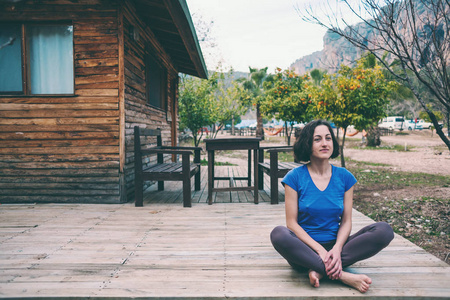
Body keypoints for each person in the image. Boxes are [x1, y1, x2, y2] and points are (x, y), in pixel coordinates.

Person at [270, 120, 394, 293]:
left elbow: (346, 222)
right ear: (308, 143)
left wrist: (336, 249)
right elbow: (292, 224)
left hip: (338, 248)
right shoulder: (294, 177)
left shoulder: (345, 177)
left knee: (384, 230)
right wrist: (320, 251)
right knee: (278, 233)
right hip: (304, 249)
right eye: (318, 139)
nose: (325, 143)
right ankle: (342, 275)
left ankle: (319, 269)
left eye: (328, 138)